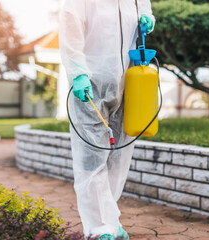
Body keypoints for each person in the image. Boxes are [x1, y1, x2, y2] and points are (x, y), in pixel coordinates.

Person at [60, 0, 155, 239]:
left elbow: (143, 8)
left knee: (118, 157)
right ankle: (98, 228)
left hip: (129, 85)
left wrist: (146, 17)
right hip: (91, 85)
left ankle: (110, 222)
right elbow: (70, 32)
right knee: (93, 158)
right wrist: (77, 73)